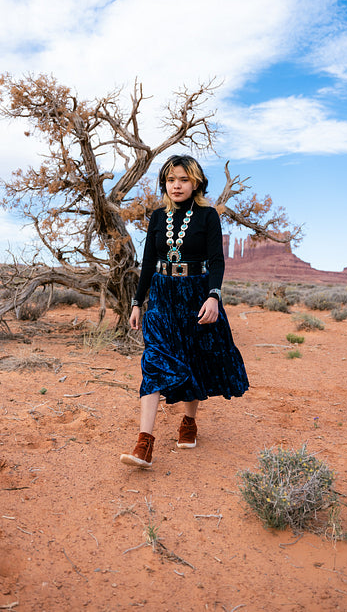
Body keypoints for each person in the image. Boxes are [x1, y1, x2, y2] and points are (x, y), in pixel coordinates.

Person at [120, 154, 249, 468]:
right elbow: (148, 263)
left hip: (195, 293)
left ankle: (189, 422)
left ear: (196, 182)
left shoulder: (207, 215)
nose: (176, 185)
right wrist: (137, 302)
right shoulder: (156, 217)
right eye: (170, 179)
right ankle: (144, 444)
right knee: (153, 361)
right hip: (163, 295)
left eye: (183, 179)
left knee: (193, 358)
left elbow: (217, 261)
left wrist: (213, 296)